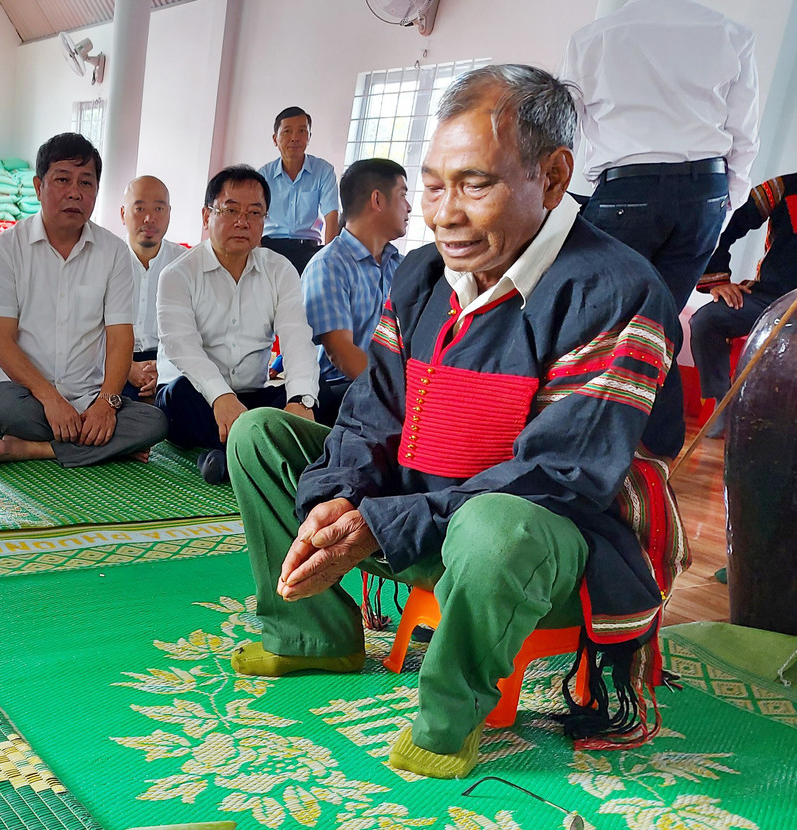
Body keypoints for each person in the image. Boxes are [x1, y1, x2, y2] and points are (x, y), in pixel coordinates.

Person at [227, 64, 688, 780]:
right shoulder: (419, 277)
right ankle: (310, 635)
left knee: (496, 524)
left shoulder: (616, 291)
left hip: (532, 551)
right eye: (433, 184)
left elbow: (558, 476)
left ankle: (448, 719)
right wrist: (339, 500)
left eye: (475, 184)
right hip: (417, 512)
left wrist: (384, 523)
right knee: (259, 436)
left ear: (554, 176)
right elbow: (372, 410)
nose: (443, 213)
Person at [0, 133, 168, 467]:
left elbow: (120, 338)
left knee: (156, 422)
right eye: (62, 179)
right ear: (39, 186)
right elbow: (0, 342)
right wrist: (50, 399)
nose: (75, 193)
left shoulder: (114, 253)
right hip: (25, 395)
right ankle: (107, 446)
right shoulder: (6, 249)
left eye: (86, 183)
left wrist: (107, 405)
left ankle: (35, 449)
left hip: (89, 396)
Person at [560, 0, 760, 311]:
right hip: (706, 192)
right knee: (658, 324)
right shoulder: (731, 33)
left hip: (627, 188)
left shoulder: (592, 38)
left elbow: (563, 129)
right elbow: (744, 137)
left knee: (595, 317)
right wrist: (723, 209)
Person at [155, 165, 320, 484]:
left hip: (252, 394)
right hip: (196, 396)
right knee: (180, 395)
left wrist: (300, 401)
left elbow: (297, 339)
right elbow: (182, 348)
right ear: (207, 216)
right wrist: (220, 396)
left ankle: (231, 457)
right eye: (230, 210)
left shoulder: (280, 270)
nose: (242, 222)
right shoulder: (177, 275)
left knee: (317, 393)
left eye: (255, 213)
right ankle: (269, 457)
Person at [301, 158, 410, 423]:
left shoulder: (403, 266)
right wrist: (397, 395)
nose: (409, 207)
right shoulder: (329, 265)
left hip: (391, 389)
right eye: (403, 195)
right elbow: (341, 353)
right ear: (377, 200)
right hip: (341, 392)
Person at [690, 173, 797, 424]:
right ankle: (723, 403)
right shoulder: (783, 187)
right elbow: (723, 222)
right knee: (707, 321)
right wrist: (718, 280)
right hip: (770, 301)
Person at [120, 175, 187, 399]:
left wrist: (165, 368)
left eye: (159, 209)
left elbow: (194, 331)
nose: (150, 219)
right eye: (139, 209)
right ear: (123, 214)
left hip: (168, 363)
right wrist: (126, 367)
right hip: (113, 360)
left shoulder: (184, 264)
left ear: (169, 213)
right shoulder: (107, 259)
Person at [257, 107, 340, 275]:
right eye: (287, 131)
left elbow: (331, 214)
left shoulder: (323, 171)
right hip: (270, 248)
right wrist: (257, 253)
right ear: (275, 139)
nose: (295, 138)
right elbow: (254, 215)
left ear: (309, 137)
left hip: (308, 250)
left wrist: (328, 258)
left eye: (302, 131)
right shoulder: (263, 175)